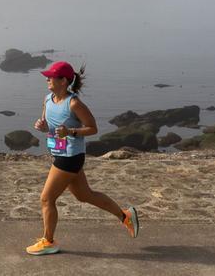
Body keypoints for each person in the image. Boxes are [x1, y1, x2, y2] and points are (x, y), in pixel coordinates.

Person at [25, 60, 139, 255]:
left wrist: (71, 131)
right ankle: (126, 216)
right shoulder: (47, 99)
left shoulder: (74, 103)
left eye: (51, 77)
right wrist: (42, 127)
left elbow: (93, 128)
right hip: (58, 152)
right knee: (85, 195)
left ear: (63, 81)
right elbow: (48, 126)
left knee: (46, 199)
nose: (47, 80)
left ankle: (48, 241)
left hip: (70, 156)